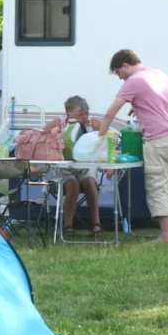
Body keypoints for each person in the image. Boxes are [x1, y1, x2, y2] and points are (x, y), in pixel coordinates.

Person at [96, 49, 168, 243]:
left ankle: (165, 235)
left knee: (158, 185)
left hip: (158, 138)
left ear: (124, 65)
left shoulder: (133, 81)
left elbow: (110, 113)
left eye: (117, 73)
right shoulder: (160, 74)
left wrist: (100, 139)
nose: (120, 78)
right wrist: (145, 102)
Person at [43, 96, 112, 236]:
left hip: (86, 165)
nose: (85, 117)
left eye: (86, 113)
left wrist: (109, 163)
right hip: (65, 166)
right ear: (68, 114)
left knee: (89, 182)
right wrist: (53, 137)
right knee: (72, 185)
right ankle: (68, 224)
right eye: (81, 114)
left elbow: (110, 139)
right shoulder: (59, 124)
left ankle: (96, 223)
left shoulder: (92, 124)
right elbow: (39, 138)